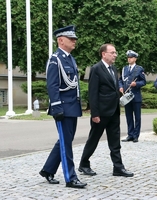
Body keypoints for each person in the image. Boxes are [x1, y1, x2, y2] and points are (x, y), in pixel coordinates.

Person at [39, 25, 87, 189]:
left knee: (65, 141)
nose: (74, 41)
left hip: (72, 107)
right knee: (66, 143)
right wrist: (57, 107)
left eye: (74, 38)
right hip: (63, 108)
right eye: (71, 38)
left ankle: (47, 170)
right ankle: (70, 178)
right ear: (60, 40)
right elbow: (52, 86)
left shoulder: (69, 58)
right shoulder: (55, 59)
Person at [78, 44, 134, 178]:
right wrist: (94, 113)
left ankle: (118, 167)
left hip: (114, 110)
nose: (115, 55)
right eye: (112, 52)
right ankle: (84, 164)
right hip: (101, 113)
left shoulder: (113, 69)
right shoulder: (96, 69)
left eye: (115, 52)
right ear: (104, 54)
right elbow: (93, 92)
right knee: (94, 139)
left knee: (115, 141)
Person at [119, 50, 146, 143]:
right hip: (126, 96)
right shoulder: (124, 69)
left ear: (135, 58)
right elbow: (120, 80)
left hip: (136, 96)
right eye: (128, 57)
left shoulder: (139, 69)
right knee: (128, 116)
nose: (129, 59)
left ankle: (136, 135)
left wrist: (136, 84)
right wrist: (121, 87)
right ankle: (130, 134)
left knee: (137, 117)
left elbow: (143, 82)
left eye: (131, 58)